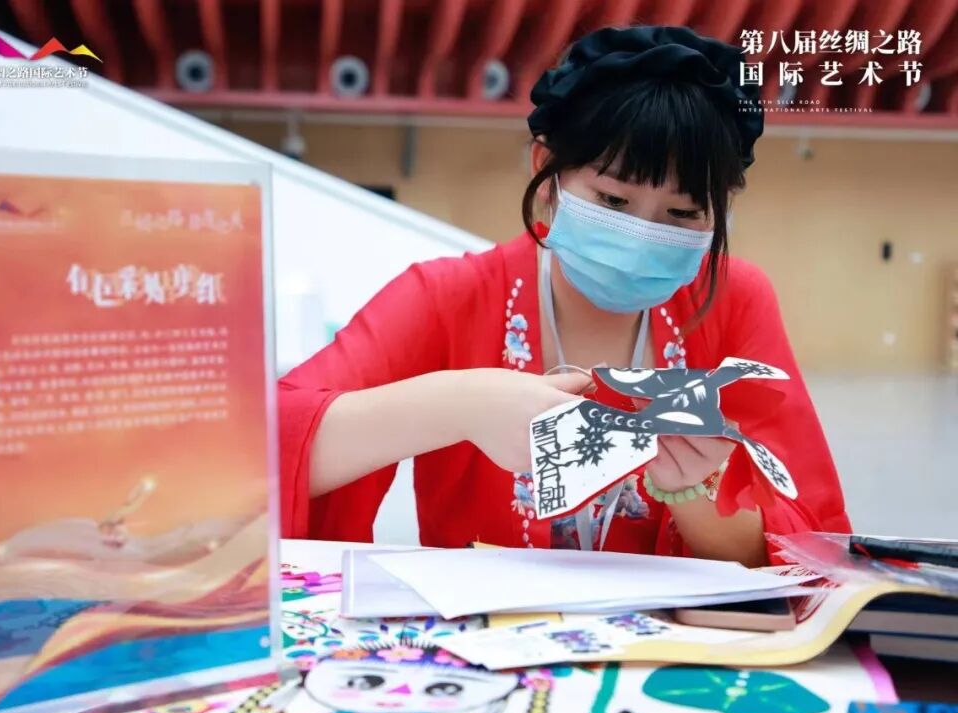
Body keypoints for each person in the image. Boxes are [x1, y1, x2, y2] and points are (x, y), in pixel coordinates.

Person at [278, 26, 850, 566]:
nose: (642, 234)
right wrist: (458, 405)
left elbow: (798, 554)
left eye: (682, 213)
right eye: (613, 201)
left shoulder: (733, 299)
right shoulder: (449, 296)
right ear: (546, 167)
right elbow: (266, 447)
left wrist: (694, 491)